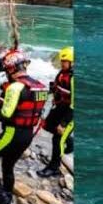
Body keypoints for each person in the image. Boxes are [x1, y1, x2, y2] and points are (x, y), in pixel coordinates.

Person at [0, 49, 48, 204]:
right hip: (27, 135)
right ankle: (8, 195)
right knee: (8, 166)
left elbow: (5, 115)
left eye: (6, 71)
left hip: (12, 133)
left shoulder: (15, 87)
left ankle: (0, 194)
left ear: (11, 69)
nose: (6, 75)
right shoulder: (39, 86)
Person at [37, 46, 74, 178]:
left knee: (57, 139)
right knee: (47, 126)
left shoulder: (74, 78)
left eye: (65, 61)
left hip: (70, 113)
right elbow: (57, 88)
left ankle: (54, 167)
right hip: (60, 107)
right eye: (62, 61)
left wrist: (63, 124)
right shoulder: (62, 73)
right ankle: (70, 142)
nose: (62, 63)